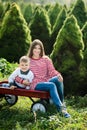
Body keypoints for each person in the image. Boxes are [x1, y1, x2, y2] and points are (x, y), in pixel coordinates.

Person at [27, 39, 71, 118]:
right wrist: (20, 81)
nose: (37, 50)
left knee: (58, 79)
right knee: (51, 85)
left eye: (39, 48)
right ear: (32, 49)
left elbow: (52, 71)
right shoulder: (28, 61)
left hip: (46, 81)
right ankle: (61, 110)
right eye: (35, 48)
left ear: (41, 49)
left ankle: (62, 103)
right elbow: (20, 73)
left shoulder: (46, 59)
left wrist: (58, 74)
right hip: (35, 84)